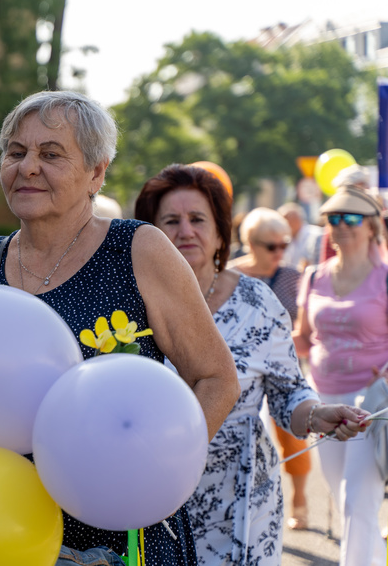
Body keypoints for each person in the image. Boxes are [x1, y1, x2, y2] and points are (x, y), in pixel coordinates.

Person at [0, 90, 242, 565]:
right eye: (16, 152)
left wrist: (158, 470)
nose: (27, 167)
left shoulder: (139, 250)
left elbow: (217, 379)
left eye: (50, 154)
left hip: (121, 530)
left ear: (96, 172)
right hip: (3, 529)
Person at [135, 165, 368, 564]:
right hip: (153, 488)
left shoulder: (257, 301)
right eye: (170, 221)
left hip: (243, 495)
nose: (185, 231)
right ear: (149, 234)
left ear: (222, 232)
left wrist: (317, 413)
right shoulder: (129, 305)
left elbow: (288, 391)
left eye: (197, 219)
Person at [293, 184, 388, 565]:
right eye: (334, 218)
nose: (342, 225)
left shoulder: (384, 278)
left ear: (372, 226)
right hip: (325, 405)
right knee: (346, 501)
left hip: (372, 406)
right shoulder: (314, 276)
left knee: (356, 503)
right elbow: (301, 339)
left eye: (352, 218)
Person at [228, 207, 313, 530]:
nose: (280, 252)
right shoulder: (229, 273)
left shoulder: (293, 276)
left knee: (293, 434)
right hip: (241, 371)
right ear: (250, 242)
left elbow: (305, 325)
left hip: (283, 366)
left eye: (284, 244)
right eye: (271, 246)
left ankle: (300, 498)